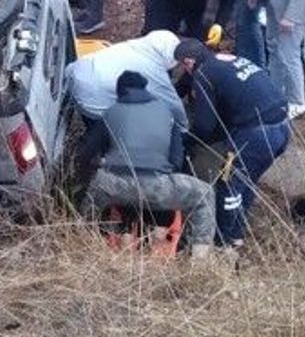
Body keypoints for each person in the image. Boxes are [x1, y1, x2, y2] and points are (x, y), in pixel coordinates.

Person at [77, 71, 217, 257]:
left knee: (93, 198)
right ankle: (199, 261)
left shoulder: (110, 113)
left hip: (116, 187)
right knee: (205, 193)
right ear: (145, 89)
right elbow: (176, 160)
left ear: (120, 92)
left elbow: (86, 154)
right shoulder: (167, 113)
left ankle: (83, 247)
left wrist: (93, 173)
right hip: (158, 187)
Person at [174, 39, 289, 246]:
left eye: (182, 66)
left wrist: (186, 142)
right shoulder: (226, 61)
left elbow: (204, 126)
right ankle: (236, 235)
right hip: (281, 127)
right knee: (246, 181)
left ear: (189, 62)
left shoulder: (203, 75)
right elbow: (183, 86)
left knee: (229, 185)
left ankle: (222, 241)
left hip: (256, 135)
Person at [64, 30, 186, 126]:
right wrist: (183, 128)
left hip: (76, 76)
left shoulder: (133, 46)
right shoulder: (153, 70)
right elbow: (173, 104)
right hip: (94, 98)